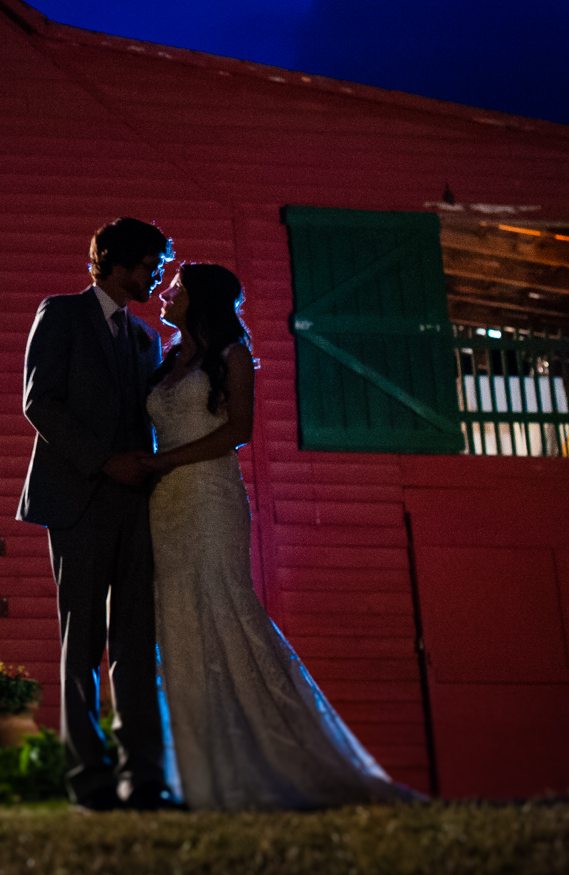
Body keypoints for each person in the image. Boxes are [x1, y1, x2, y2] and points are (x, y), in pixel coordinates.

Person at [142, 262, 420, 809]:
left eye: (177, 288)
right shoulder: (168, 358)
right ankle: (196, 764)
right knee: (172, 610)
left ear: (202, 299)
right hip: (163, 505)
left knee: (221, 604)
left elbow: (237, 431)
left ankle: (277, 755)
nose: (165, 294)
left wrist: (161, 462)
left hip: (207, 497)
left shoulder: (232, 356)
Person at [17, 217, 176, 811]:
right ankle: (90, 781)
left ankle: (146, 779)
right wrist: (104, 462)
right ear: (114, 262)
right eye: (149, 267)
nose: (156, 279)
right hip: (77, 499)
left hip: (135, 508)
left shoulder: (145, 341)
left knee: (137, 644)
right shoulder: (59, 314)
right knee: (80, 642)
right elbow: (39, 402)